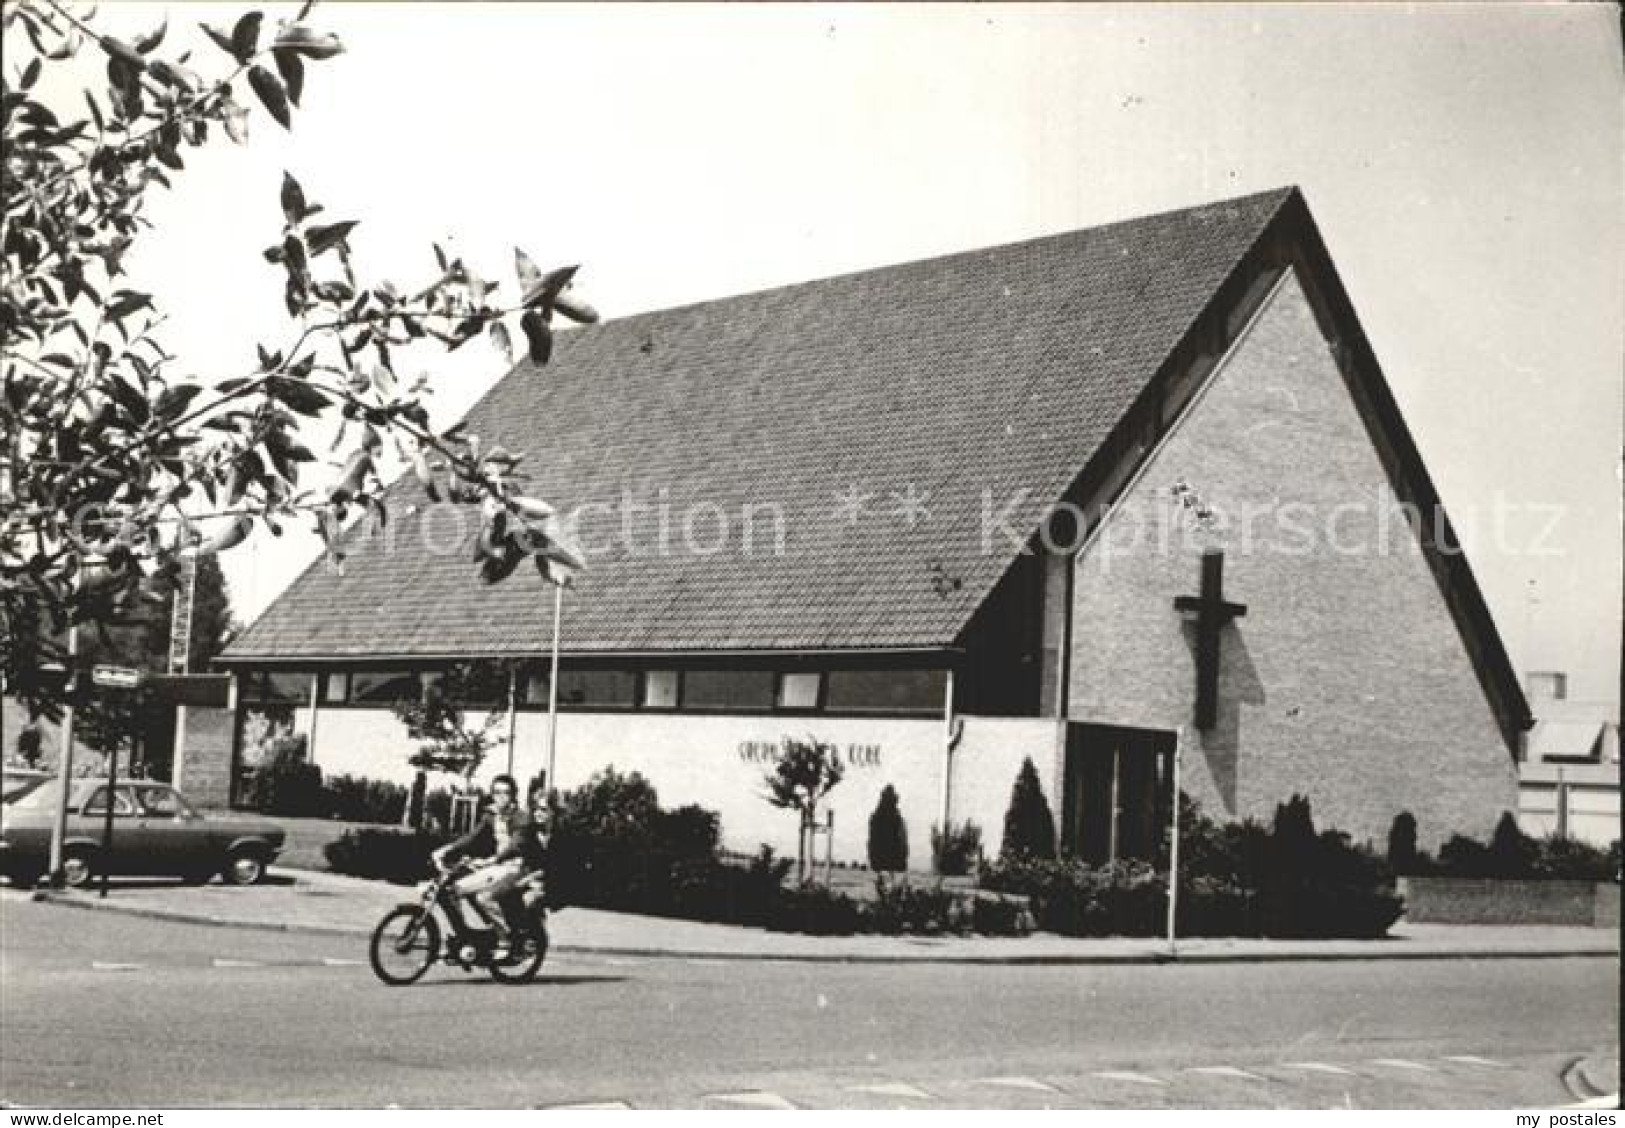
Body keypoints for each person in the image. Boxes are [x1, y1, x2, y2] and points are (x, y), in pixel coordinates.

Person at [430, 774, 543, 942]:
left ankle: (506, 937)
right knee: (455, 889)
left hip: (517, 868)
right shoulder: (491, 815)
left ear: (513, 795)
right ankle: (466, 935)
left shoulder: (522, 818)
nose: (501, 797)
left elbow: (515, 846)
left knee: (485, 898)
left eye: (506, 792)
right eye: (497, 792)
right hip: (498, 867)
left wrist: (492, 860)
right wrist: (447, 850)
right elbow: (472, 837)